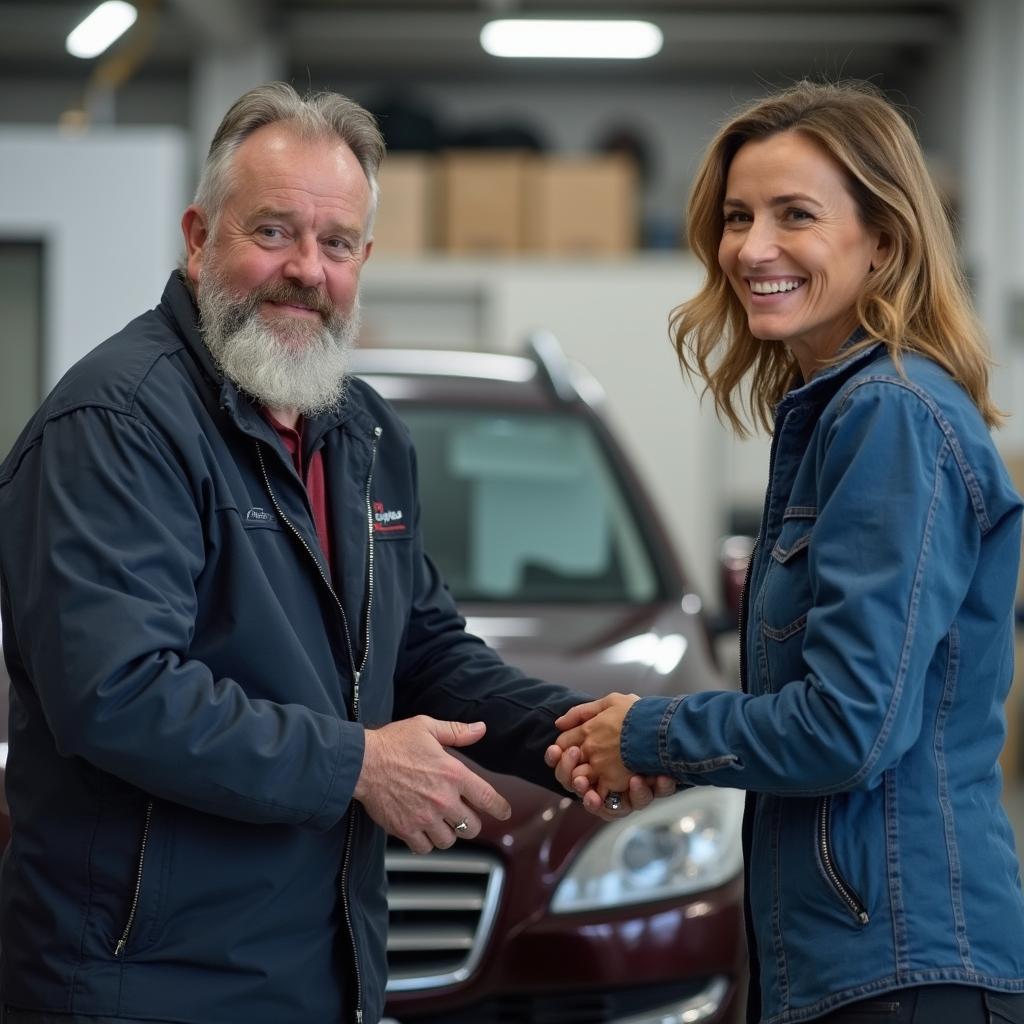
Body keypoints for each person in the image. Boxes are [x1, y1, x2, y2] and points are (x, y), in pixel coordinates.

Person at [0, 82, 667, 1024]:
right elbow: (119, 693)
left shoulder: (363, 437)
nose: (307, 270)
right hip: (143, 985)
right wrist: (358, 764)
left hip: (318, 975)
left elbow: (424, 650)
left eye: (337, 243)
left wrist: (571, 735)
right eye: (272, 232)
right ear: (198, 240)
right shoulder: (115, 423)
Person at [546, 80, 1024, 1024]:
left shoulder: (889, 416)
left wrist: (650, 734)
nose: (751, 248)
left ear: (883, 242)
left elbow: (848, 726)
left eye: (794, 216)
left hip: (901, 964)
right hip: (853, 954)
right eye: (736, 216)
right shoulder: (843, 414)